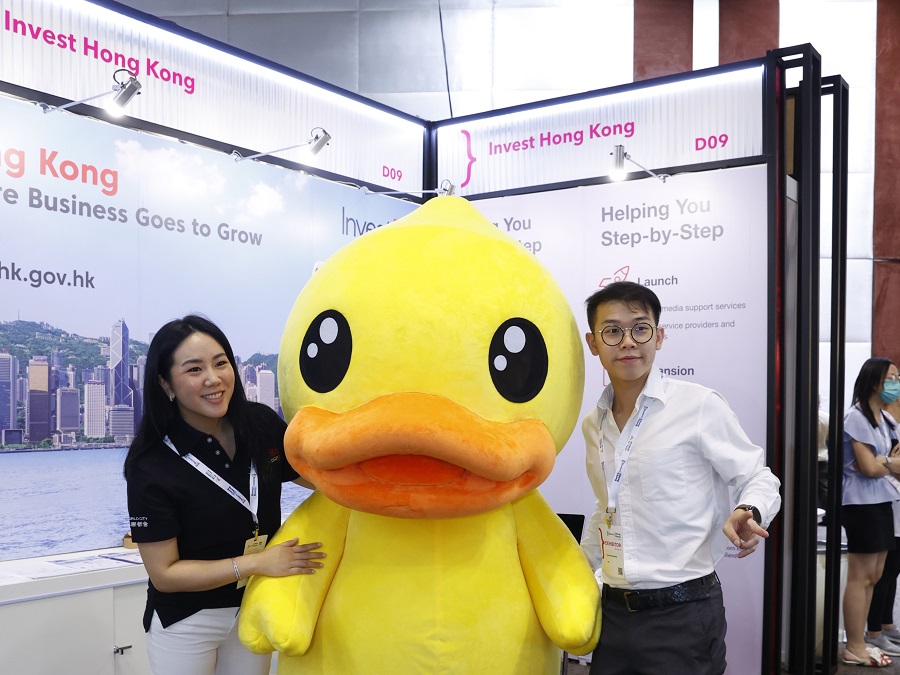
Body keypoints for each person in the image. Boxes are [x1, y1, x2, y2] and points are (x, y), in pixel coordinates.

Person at [579, 281, 781, 675]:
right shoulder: (593, 424)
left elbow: (758, 475)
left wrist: (749, 509)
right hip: (612, 614)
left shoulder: (698, 405)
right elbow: (607, 507)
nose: (628, 342)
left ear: (659, 337)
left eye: (640, 328)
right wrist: (575, 571)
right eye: (612, 331)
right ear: (593, 343)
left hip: (683, 616)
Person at [124, 315, 325, 675]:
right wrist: (257, 563)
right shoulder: (151, 463)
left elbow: (314, 478)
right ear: (166, 384)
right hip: (188, 620)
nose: (213, 379)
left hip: (254, 602)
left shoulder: (261, 423)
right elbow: (165, 574)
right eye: (194, 369)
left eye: (221, 363)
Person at [839, 357, 900, 667]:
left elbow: (885, 464)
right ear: (875, 381)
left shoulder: (885, 419)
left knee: (875, 576)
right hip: (860, 504)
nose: (896, 383)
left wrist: (884, 461)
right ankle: (854, 645)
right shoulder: (855, 417)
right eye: (891, 378)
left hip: (883, 500)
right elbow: (868, 468)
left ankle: (862, 642)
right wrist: (887, 462)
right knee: (860, 576)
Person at [867, 392, 900, 653]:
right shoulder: (882, 425)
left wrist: (888, 462)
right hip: (886, 504)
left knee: (893, 571)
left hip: (893, 503)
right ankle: (874, 631)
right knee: (883, 573)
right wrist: (890, 462)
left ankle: (887, 624)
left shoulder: (891, 425)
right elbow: (875, 465)